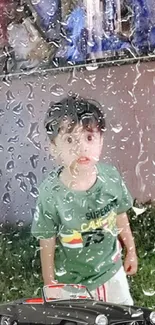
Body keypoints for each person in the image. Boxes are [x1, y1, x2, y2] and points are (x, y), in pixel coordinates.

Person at [31, 94, 138, 305]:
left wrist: (131, 252)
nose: (81, 148)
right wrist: (50, 282)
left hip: (111, 269)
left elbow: (120, 215)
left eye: (89, 138)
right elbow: (47, 240)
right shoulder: (50, 194)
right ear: (54, 147)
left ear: (101, 141)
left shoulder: (110, 178)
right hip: (72, 280)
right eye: (70, 139)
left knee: (122, 316)